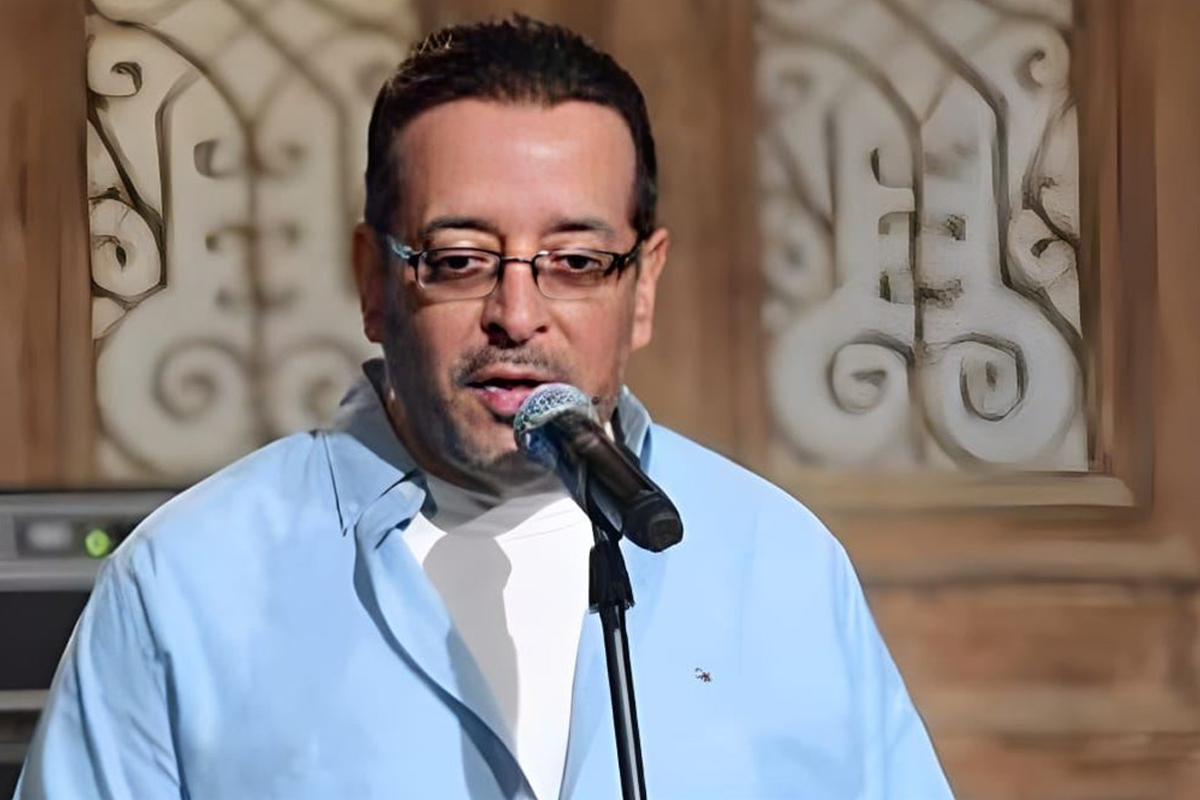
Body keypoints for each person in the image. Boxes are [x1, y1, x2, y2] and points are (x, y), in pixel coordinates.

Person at [17, 16, 954, 800]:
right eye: (460, 259)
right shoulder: (186, 588)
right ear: (373, 282)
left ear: (643, 287)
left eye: (575, 263)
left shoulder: (782, 569)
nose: (516, 313)